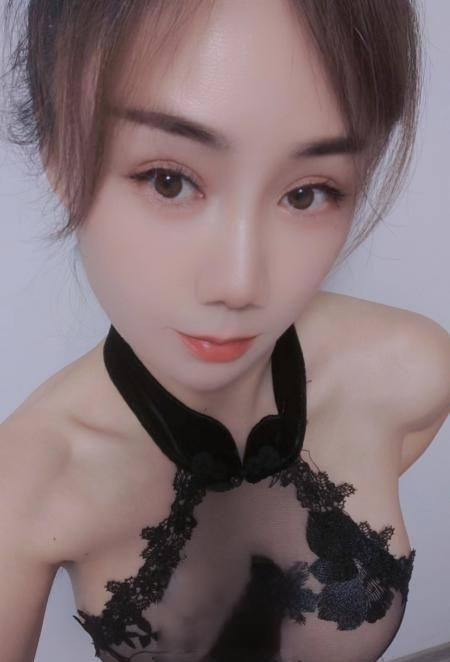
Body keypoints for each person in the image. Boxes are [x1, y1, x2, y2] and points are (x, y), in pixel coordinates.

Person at [0, 1, 449, 661]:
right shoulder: (24, 487)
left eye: (307, 193)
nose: (240, 285)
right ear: (60, 156)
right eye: (169, 181)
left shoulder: (409, 371)